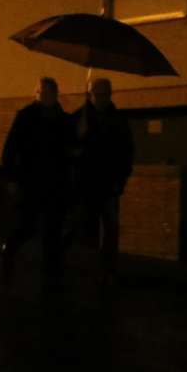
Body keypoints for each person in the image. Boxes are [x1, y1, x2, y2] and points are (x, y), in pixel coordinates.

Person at [0, 76, 74, 288]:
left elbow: (68, 150)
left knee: (52, 231)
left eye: (47, 93)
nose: (43, 96)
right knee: (24, 226)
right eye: (40, 92)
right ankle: (9, 260)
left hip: (55, 184)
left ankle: (51, 277)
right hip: (30, 182)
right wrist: (12, 178)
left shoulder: (63, 120)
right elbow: (11, 149)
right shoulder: (26, 117)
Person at [72, 77, 134, 284]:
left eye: (104, 95)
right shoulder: (81, 118)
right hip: (86, 184)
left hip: (109, 184)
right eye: (97, 95)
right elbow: (70, 148)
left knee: (110, 228)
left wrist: (120, 180)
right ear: (90, 95)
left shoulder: (117, 121)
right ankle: (88, 268)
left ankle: (107, 270)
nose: (101, 99)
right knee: (84, 226)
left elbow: (126, 152)